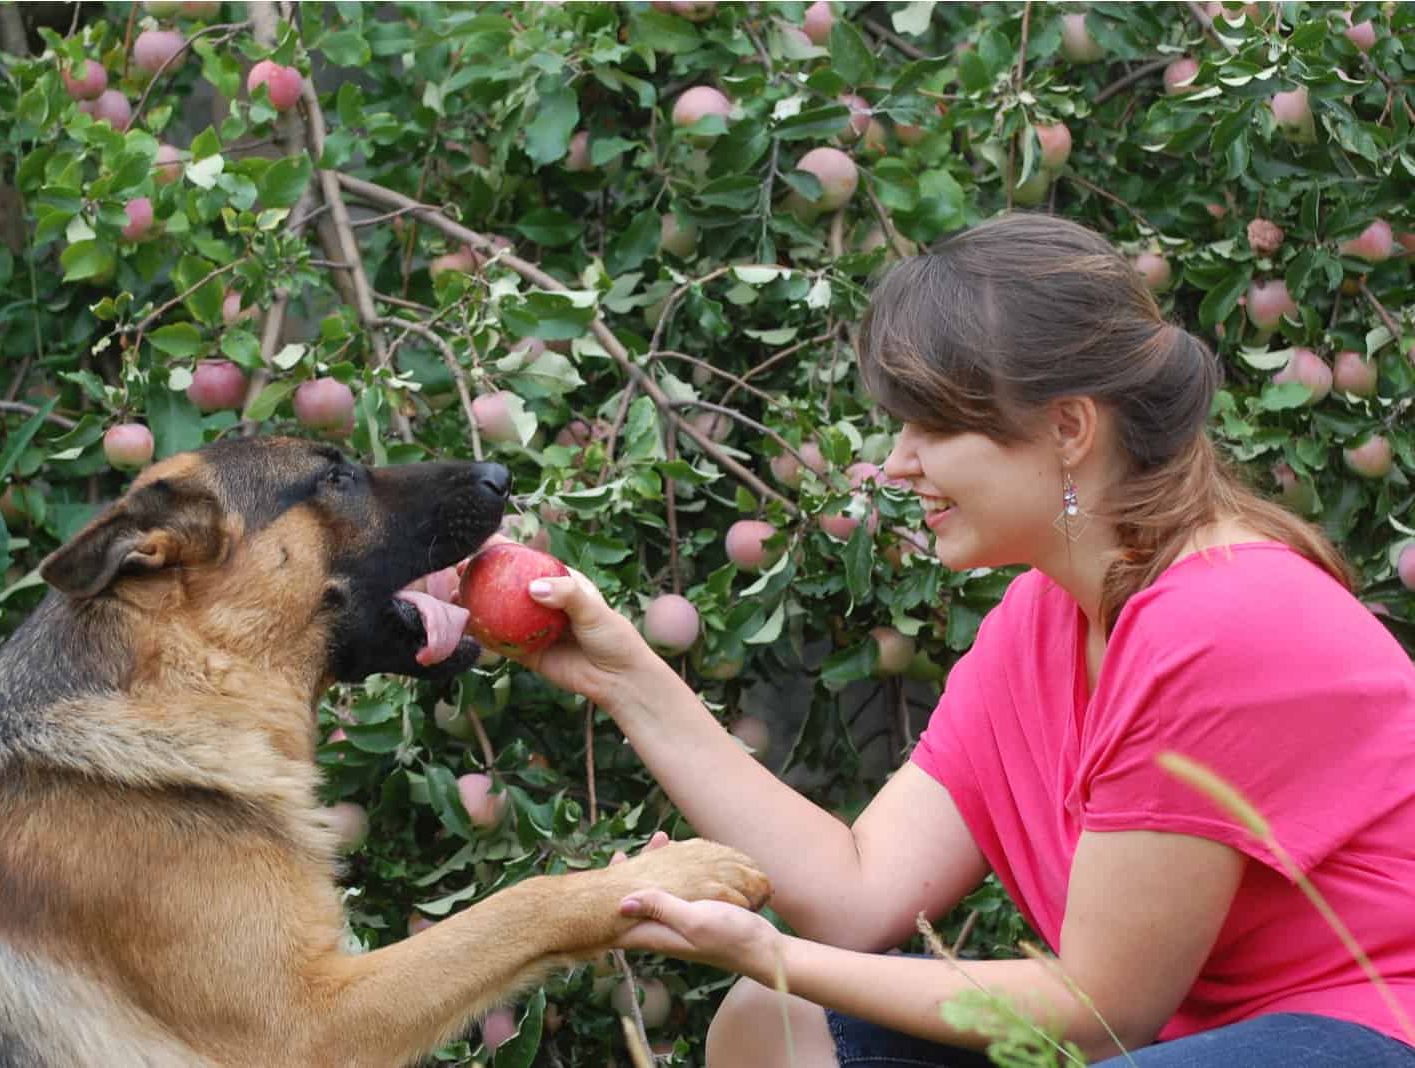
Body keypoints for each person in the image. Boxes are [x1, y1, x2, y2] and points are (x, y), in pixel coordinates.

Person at [512, 214, 1415, 1066]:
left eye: (934, 425)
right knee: (774, 1026)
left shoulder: (1216, 620)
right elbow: (859, 893)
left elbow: (1103, 1007)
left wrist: (762, 949)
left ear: (1068, 428)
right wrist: (626, 675)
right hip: (1176, 1043)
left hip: (1373, 1031)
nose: (897, 463)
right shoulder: (1043, 617)